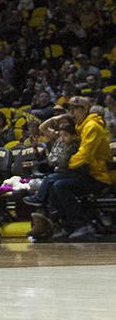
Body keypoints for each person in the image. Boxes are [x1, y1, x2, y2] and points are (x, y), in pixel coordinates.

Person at [49, 97, 114, 239]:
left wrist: (63, 165)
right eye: (69, 109)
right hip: (88, 173)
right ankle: (64, 225)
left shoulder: (91, 127)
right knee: (53, 182)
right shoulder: (81, 126)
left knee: (61, 186)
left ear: (85, 109)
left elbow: (84, 156)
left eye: (74, 109)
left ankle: (82, 225)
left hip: (101, 177)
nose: (71, 113)